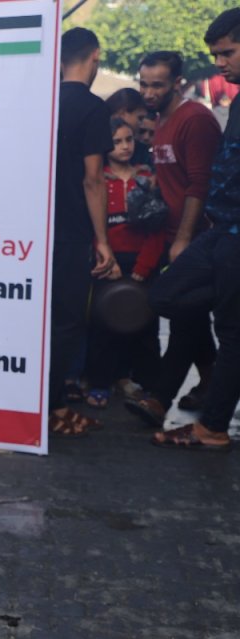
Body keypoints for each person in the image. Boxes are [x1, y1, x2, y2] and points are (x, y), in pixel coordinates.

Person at [150, 8, 240, 453]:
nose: (221, 64)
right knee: (168, 296)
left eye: (228, 52)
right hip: (220, 232)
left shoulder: (196, 118)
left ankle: (213, 428)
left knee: (232, 329)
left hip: (231, 236)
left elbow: (201, 178)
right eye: (216, 55)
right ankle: (215, 374)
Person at [126, 50, 223, 427]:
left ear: (177, 84)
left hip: (195, 237)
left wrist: (185, 238)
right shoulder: (161, 120)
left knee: (183, 317)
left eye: (157, 86)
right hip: (165, 234)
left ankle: (159, 399)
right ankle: (211, 381)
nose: (148, 93)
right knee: (191, 316)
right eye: (144, 84)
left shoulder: (195, 120)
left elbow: (201, 183)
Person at [50, 27, 117, 437]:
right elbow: (94, 179)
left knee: (39, 321)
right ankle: (54, 407)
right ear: (94, 57)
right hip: (72, 232)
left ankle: (45, 405)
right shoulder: (93, 108)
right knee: (67, 322)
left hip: (35, 230)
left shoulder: (42, 102)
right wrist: (103, 241)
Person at [83, 117, 163, 409]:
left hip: (142, 264)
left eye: (129, 140)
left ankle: (149, 386)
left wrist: (145, 266)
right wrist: (107, 260)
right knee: (104, 326)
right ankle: (101, 382)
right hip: (109, 263)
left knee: (145, 328)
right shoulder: (97, 180)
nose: (125, 146)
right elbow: (94, 228)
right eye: (117, 141)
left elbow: (156, 228)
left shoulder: (147, 178)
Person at [106, 87, 154, 166]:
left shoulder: (141, 151)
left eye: (128, 140)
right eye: (140, 118)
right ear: (122, 112)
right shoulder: (96, 147)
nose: (140, 124)